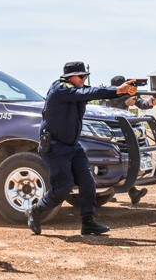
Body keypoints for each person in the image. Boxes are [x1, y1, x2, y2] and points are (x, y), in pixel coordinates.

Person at [25, 61, 137, 236]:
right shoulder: (60, 88)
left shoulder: (76, 91)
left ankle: (88, 222)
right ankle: (36, 210)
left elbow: (93, 94)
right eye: (81, 76)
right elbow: (89, 92)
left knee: (87, 182)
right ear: (69, 77)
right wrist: (118, 90)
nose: (84, 79)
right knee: (63, 186)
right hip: (55, 146)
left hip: (72, 146)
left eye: (85, 76)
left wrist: (122, 92)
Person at [106, 75, 156, 205]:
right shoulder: (110, 95)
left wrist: (151, 102)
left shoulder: (128, 94)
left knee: (128, 160)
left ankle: (129, 192)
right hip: (110, 132)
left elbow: (142, 103)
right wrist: (125, 102)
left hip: (123, 131)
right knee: (116, 162)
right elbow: (113, 106)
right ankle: (115, 191)